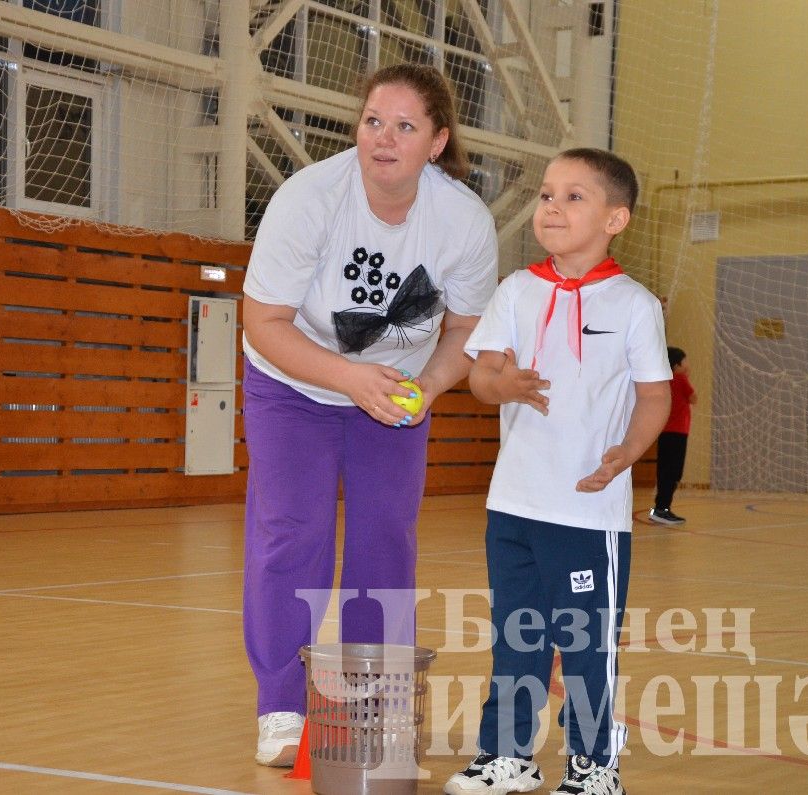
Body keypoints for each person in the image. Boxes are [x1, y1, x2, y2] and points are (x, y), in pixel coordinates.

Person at [240, 63, 498, 767]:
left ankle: (370, 702)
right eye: (372, 122)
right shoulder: (310, 198)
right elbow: (263, 322)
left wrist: (430, 389)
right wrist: (349, 378)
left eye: (405, 126)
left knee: (386, 541)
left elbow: (466, 333)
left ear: (437, 141)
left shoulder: (463, 221)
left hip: (393, 395)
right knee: (293, 533)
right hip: (294, 382)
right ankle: (282, 706)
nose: (383, 139)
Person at [445, 148, 671, 795]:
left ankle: (595, 766)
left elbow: (655, 395)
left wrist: (628, 451)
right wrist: (501, 382)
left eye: (575, 196)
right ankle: (507, 755)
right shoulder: (516, 291)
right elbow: (480, 374)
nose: (553, 206)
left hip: (584, 513)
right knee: (516, 637)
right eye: (547, 194)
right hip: (512, 506)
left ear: (616, 218)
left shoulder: (633, 305)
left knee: (585, 647)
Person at [649, 346, 696, 525]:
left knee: (664, 471)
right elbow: (694, 398)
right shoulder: (681, 379)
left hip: (665, 432)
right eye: (685, 361)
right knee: (674, 473)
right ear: (677, 364)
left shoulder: (665, 380)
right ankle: (662, 509)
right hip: (678, 433)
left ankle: (660, 508)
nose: (688, 364)